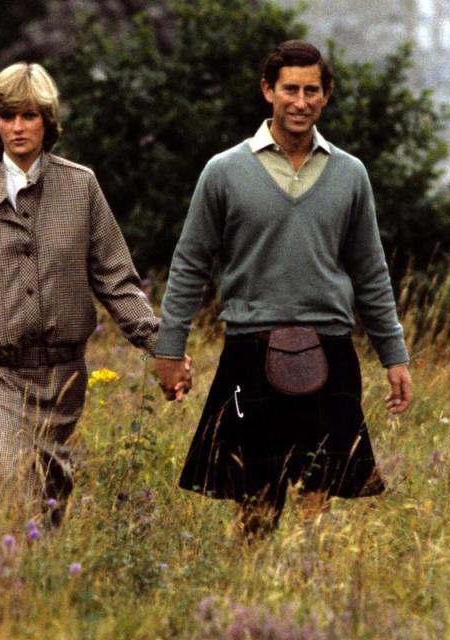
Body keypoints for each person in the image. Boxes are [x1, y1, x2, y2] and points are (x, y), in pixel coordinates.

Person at [154, 41, 412, 537]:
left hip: (330, 349)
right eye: (289, 89)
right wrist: (169, 348)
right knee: (254, 493)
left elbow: (371, 271)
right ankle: (253, 591)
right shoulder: (224, 171)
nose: (300, 101)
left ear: (326, 95)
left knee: (318, 491)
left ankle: (306, 582)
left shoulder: (350, 174)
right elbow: (189, 264)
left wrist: (393, 355)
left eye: (311, 90)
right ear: (267, 91)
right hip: (248, 350)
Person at [0, 62, 187, 525]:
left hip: (62, 374)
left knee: (49, 496)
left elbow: (115, 277)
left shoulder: (80, 185)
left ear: (48, 121)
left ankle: (44, 578)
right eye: (8, 117)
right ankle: (8, 581)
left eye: (29, 116)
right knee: (7, 477)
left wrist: (158, 343)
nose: (18, 127)